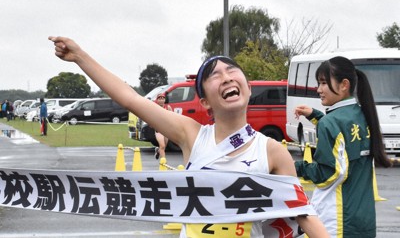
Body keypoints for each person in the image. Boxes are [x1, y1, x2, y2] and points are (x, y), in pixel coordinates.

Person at [48, 36, 329, 238]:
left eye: (232, 70)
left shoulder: (272, 151)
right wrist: (80, 57)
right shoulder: (191, 135)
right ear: (205, 102)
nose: (227, 77)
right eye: (215, 75)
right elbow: (131, 99)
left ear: (246, 87)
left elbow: (302, 214)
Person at [293, 56, 392, 238]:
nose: (319, 89)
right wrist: (315, 116)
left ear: (344, 85)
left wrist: (294, 167)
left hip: (337, 220)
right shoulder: (363, 113)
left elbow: (328, 174)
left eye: (323, 83)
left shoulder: (332, 122)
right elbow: (343, 136)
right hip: (364, 218)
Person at [154, 92, 172, 160]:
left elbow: (173, 117)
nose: (161, 100)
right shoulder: (154, 108)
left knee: (163, 147)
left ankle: (158, 150)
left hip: (166, 130)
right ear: (157, 100)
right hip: (158, 130)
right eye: (159, 98)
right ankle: (163, 163)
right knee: (162, 145)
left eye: (163, 98)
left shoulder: (168, 107)